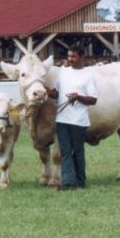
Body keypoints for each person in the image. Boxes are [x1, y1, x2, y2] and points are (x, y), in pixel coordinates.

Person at [46, 44, 98, 190]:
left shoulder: (88, 75)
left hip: (79, 120)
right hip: (62, 119)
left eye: (73, 56)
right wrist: (47, 90)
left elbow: (93, 99)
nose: (70, 59)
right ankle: (68, 182)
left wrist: (78, 97)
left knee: (78, 151)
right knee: (65, 151)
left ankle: (80, 180)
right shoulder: (63, 72)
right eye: (69, 56)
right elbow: (56, 93)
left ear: (82, 57)